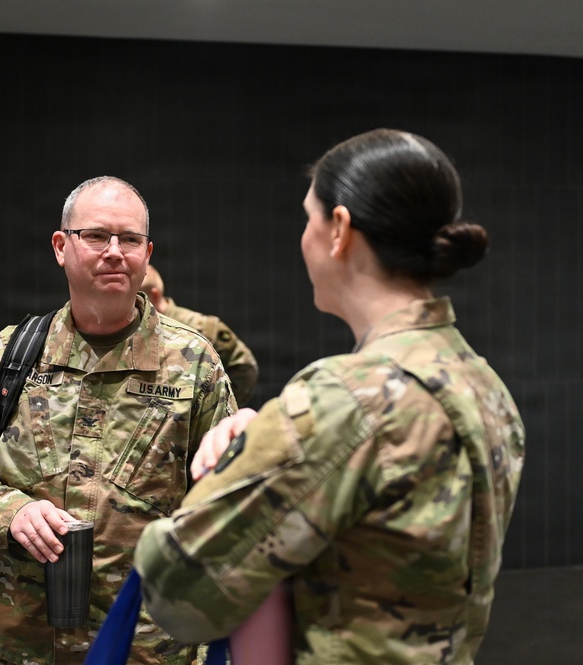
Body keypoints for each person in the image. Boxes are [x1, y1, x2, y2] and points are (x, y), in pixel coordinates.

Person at [134, 129, 526, 665]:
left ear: (339, 229)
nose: (303, 238)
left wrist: (238, 462)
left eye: (308, 217)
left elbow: (176, 587)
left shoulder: (346, 400)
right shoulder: (484, 385)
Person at [0, 176, 237, 665]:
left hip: (146, 645)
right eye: (96, 236)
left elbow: (232, 501)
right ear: (62, 247)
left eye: (129, 239)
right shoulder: (11, 356)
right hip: (19, 644)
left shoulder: (194, 364)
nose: (114, 251)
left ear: (147, 253)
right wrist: (8, 510)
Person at [141, 265, 259, 406]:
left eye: (138, 296)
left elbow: (244, 367)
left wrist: (217, 407)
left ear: (154, 295)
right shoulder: (136, 329)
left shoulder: (202, 327)